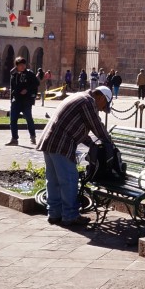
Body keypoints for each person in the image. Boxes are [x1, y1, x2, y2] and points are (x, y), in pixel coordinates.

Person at [37, 85, 114, 227]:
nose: (102, 110)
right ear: (101, 97)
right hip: (61, 144)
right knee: (69, 180)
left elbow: (79, 128)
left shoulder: (79, 96)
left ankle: (54, 214)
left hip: (50, 141)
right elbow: (96, 125)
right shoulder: (88, 102)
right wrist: (110, 144)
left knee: (53, 180)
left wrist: (92, 144)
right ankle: (70, 216)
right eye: (104, 106)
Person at [6, 56, 39, 146]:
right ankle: (14, 139)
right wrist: (11, 99)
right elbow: (12, 87)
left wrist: (27, 90)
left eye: (23, 64)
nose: (22, 66)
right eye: (20, 65)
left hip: (26, 100)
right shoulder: (14, 74)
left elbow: (36, 83)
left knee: (28, 118)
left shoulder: (29, 74)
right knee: (13, 120)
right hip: (16, 100)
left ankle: (33, 136)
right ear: (17, 66)